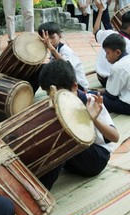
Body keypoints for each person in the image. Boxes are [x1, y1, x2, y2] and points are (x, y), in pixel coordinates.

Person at [36, 60, 118, 188]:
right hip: (74, 159)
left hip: (96, 158)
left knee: (63, 138)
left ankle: (41, 188)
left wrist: (93, 119)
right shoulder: (55, 103)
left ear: (74, 86)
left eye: (59, 93)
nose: (53, 98)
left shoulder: (90, 101)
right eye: (49, 94)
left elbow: (115, 137)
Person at [92, 0, 130, 87]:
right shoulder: (129, 45)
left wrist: (101, 10)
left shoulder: (108, 33)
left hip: (100, 77)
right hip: (112, 81)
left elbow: (95, 30)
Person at [39, 21, 89, 90]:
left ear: (60, 36)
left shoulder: (66, 50)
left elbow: (67, 67)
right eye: (46, 39)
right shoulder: (55, 49)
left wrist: (52, 50)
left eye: (52, 37)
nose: (49, 41)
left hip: (78, 87)